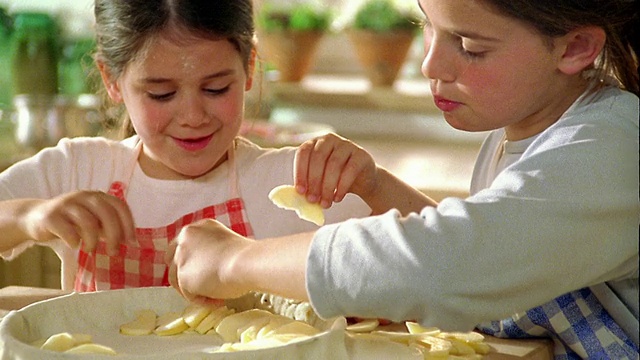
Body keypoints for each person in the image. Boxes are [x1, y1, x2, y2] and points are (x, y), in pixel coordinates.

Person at [166, 0, 639, 358]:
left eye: (470, 47)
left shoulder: (612, 150)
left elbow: (447, 265)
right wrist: (375, 185)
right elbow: (497, 259)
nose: (431, 65)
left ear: (575, 48)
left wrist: (235, 260)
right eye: (427, 27)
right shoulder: (525, 129)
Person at [0, 0, 372, 292]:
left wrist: (373, 183)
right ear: (111, 80)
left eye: (216, 89)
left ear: (249, 67)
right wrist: (28, 217)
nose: (193, 116)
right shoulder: (79, 170)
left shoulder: (290, 183)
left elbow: (425, 252)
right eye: (161, 94)